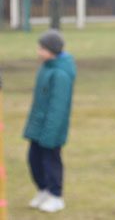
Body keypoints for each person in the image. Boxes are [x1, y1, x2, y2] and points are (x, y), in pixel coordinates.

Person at [24, 29, 76, 213]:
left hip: (51, 129)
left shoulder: (60, 74)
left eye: (41, 48)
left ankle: (56, 196)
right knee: (34, 159)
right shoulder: (46, 68)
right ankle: (43, 190)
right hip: (38, 127)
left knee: (50, 162)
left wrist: (50, 132)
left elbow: (58, 107)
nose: (38, 51)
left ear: (51, 50)